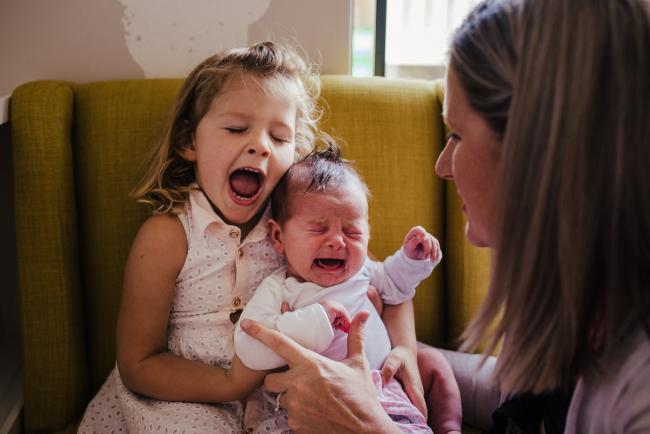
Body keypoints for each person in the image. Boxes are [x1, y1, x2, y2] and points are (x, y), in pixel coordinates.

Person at [240, 0, 650, 433]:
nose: (442, 165)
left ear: (538, 151)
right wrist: (411, 357)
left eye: (457, 134)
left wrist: (366, 426)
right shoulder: (584, 306)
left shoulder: (638, 383)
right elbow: (523, 390)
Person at [78, 40, 430, 433]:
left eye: (279, 138)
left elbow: (386, 284)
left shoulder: (299, 227)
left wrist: (407, 351)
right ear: (189, 141)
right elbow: (138, 363)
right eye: (236, 128)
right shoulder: (168, 236)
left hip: (280, 404)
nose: (260, 146)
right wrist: (230, 383)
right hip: (182, 398)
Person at [233, 145, 442, 433]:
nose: (337, 242)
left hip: (381, 390)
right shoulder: (280, 288)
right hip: (311, 402)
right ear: (278, 236)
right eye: (319, 229)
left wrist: (413, 260)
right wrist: (314, 321)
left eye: (352, 231)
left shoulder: (364, 272)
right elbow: (250, 348)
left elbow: (396, 287)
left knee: (419, 413)